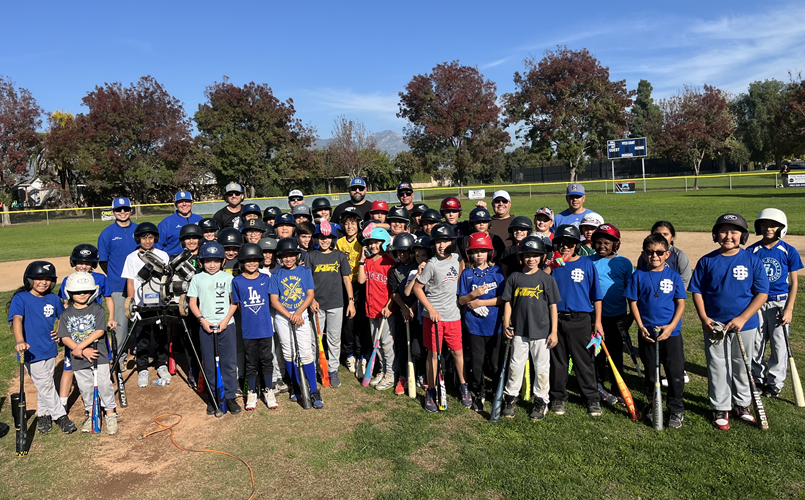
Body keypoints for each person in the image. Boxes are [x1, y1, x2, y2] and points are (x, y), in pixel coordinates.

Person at [689, 214, 769, 430]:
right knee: (717, 365)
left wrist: (742, 318)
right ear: (716, 234)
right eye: (723, 231)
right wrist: (704, 318)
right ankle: (720, 406)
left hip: (745, 324)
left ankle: (742, 404)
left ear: (743, 236)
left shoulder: (752, 260)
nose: (728, 236)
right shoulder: (707, 260)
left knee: (742, 365)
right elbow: (697, 291)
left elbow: (762, 293)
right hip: (714, 325)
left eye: (734, 232)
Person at [625, 233, 687, 428]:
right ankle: (653, 404)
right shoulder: (638, 275)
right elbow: (633, 302)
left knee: (674, 372)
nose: (655, 256)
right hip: (647, 333)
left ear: (667, 254)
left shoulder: (674, 276)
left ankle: (675, 409)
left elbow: (681, 304)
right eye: (650, 252)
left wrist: (671, 326)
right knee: (652, 372)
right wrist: (641, 326)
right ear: (644, 254)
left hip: (671, 333)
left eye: (660, 252)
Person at [8, 261, 77, 434]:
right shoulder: (21, 298)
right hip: (30, 350)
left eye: (47, 279)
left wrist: (60, 332)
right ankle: (60, 416)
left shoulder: (53, 299)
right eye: (39, 279)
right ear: (29, 280)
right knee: (46, 384)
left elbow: (63, 316)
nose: (43, 282)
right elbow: (17, 319)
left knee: (45, 384)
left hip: (49, 348)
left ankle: (43, 415)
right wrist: (20, 341)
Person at [413, 223, 472, 411]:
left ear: (452, 242)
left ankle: (463, 386)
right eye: (438, 242)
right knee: (433, 355)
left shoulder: (456, 258)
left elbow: (461, 275)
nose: (441, 245)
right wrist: (430, 309)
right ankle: (431, 390)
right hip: (434, 318)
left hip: (453, 316)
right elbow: (417, 288)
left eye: (445, 241)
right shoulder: (432, 264)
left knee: (457, 352)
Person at [500, 236, 559, 421]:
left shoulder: (546, 279)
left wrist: (554, 331)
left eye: (535, 255)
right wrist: (506, 323)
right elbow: (508, 302)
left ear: (542, 257)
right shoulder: (514, 277)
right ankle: (510, 398)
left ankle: (541, 401)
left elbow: (553, 306)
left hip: (541, 332)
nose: (531, 259)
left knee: (541, 368)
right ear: (521, 257)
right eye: (527, 255)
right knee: (515, 366)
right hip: (519, 330)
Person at [548, 225, 604, 418]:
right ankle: (558, 397)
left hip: (580, 319)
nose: (565, 247)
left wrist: (598, 322)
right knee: (558, 362)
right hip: (556, 319)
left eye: (570, 244)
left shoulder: (587, 264)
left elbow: (597, 296)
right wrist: (553, 265)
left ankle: (592, 398)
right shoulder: (553, 265)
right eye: (561, 243)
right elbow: (541, 280)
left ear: (577, 246)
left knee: (584, 361)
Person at [747, 209, 803, 398]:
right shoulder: (752, 251)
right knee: (756, 343)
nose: (768, 228)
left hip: (780, 303)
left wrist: (789, 308)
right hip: (757, 302)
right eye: (764, 224)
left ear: (781, 227)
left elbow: (794, 282)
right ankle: (757, 378)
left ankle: (775, 383)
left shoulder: (788, 251)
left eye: (773, 225)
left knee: (779, 345)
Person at [58, 272, 118, 434]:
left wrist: (80, 347)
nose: (82, 294)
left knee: (104, 383)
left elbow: (99, 331)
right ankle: (91, 413)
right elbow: (64, 337)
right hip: (78, 357)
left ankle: (110, 413)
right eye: (77, 292)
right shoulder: (65, 314)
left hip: (99, 354)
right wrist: (82, 350)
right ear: (69, 293)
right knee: (85, 386)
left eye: (86, 291)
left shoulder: (97, 309)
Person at [57, 244, 116, 408]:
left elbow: (108, 298)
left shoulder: (100, 279)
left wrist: (111, 317)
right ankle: (62, 404)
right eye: (80, 262)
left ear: (94, 264)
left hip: (94, 328)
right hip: (74, 330)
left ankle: (105, 402)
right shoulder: (68, 280)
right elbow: (65, 306)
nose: (83, 266)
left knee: (101, 363)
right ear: (73, 262)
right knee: (69, 367)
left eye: (88, 263)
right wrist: (60, 330)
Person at [268, 238, 324, 409]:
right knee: (289, 353)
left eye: (291, 255)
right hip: (283, 318)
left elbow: (310, 294)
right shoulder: (276, 275)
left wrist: (298, 312)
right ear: (280, 257)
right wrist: (289, 315)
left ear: (297, 255)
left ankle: (314, 389)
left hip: (301, 315)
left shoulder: (305, 271)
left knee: (306, 353)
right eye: (285, 256)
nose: (288, 259)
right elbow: (274, 300)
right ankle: (297, 386)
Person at [188, 242, 241, 416]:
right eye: (208, 261)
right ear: (201, 262)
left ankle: (230, 396)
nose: (212, 265)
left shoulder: (228, 278)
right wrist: (202, 321)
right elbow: (193, 303)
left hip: (227, 326)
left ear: (223, 262)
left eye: (216, 261)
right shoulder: (197, 279)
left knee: (229, 363)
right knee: (210, 364)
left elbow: (234, 302)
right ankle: (213, 396)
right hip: (206, 327)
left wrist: (225, 321)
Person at [458, 232, 505, 412]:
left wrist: (481, 302)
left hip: (494, 325)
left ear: (489, 253)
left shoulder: (496, 272)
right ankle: (479, 392)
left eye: (483, 251)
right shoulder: (467, 273)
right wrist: (472, 295)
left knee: (494, 362)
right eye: (476, 251)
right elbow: (461, 300)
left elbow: (502, 299)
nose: (479, 255)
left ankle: (497, 391)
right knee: (477, 362)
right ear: (470, 253)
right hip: (474, 326)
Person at [304, 224, 354, 388]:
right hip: (316, 304)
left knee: (334, 339)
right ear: (317, 239)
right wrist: (311, 300)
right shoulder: (311, 256)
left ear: (333, 239)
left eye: (328, 238)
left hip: (336, 303)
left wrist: (351, 301)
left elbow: (346, 279)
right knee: (315, 339)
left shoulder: (340, 256)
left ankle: (332, 370)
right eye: (321, 237)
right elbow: (307, 280)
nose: (325, 241)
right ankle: (316, 368)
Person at [121, 222, 171, 388]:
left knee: (161, 334)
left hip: (159, 302)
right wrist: (132, 303)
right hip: (141, 304)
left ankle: (162, 364)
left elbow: (166, 279)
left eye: (150, 237)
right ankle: (142, 367)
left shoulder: (162, 255)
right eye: (144, 238)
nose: (147, 241)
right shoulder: (131, 257)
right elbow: (130, 282)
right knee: (142, 336)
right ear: (138, 239)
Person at [589, 224, 634, 404]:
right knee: (597, 353)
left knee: (615, 352)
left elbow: (631, 291)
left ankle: (617, 386)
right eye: (598, 242)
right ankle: (598, 384)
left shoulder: (624, 263)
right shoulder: (588, 261)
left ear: (616, 244)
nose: (602, 246)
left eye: (607, 243)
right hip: (595, 318)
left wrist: (630, 316)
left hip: (617, 317)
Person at [232, 243, 278, 411]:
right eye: (248, 260)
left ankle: (268, 390)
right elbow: (237, 304)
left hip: (265, 328)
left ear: (260, 261)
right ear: (242, 261)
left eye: (255, 260)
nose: (251, 263)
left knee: (267, 359)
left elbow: (273, 299)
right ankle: (251, 392)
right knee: (251, 362)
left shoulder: (266, 278)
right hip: (248, 330)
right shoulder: (237, 281)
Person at [97, 197, 137, 365]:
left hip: (140, 284)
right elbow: (103, 261)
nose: (122, 212)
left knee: (140, 320)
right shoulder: (107, 233)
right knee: (120, 323)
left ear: (131, 210)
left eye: (126, 209)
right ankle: (119, 356)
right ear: (113, 212)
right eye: (118, 210)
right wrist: (115, 275)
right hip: (117, 285)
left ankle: (140, 351)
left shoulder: (139, 229)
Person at [357, 228, 396, 390]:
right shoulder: (368, 261)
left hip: (385, 309)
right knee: (376, 343)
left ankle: (391, 373)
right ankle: (383, 369)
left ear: (385, 243)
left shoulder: (389, 262)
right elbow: (361, 280)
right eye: (371, 243)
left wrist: (389, 306)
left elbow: (394, 289)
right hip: (371, 308)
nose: (373, 246)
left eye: (377, 242)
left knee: (387, 343)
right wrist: (361, 260)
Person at [388, 233, 421, 395]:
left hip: (418, 311)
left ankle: (420, 374)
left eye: (406, 251)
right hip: (402, 312)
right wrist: (404, 308)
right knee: (402, 345)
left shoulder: (418, 266)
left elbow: (422, 291)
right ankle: (402, 376)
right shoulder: (394, 270)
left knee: (417, 347)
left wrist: (412, 308)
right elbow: (394, 293)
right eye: (399, 251)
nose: (402, 254)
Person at [337, 207, 366, 375]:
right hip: (345, 284)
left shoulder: (363, 240)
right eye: (347, 223)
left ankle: (361, 354)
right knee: (348, 321)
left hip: (360, 284)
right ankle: (349, 353)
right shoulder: (339, 242)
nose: (350, 226)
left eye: (353, 223)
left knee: (360, 321)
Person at [636, 221, 692, 288]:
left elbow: (684, 282)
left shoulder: (679, 255)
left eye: (665, 234)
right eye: (657, 234)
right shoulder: (647, 254)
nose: (661, 237)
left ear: (672, 237)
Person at [156, 191, 203, 256]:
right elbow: (157, 246)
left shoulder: (199, 219)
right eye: (180, 202)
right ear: (175, 204)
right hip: (173, 260)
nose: (184, 204)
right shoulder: (166, 222)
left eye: (187, 201)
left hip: (197, 259)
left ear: (192, 203)